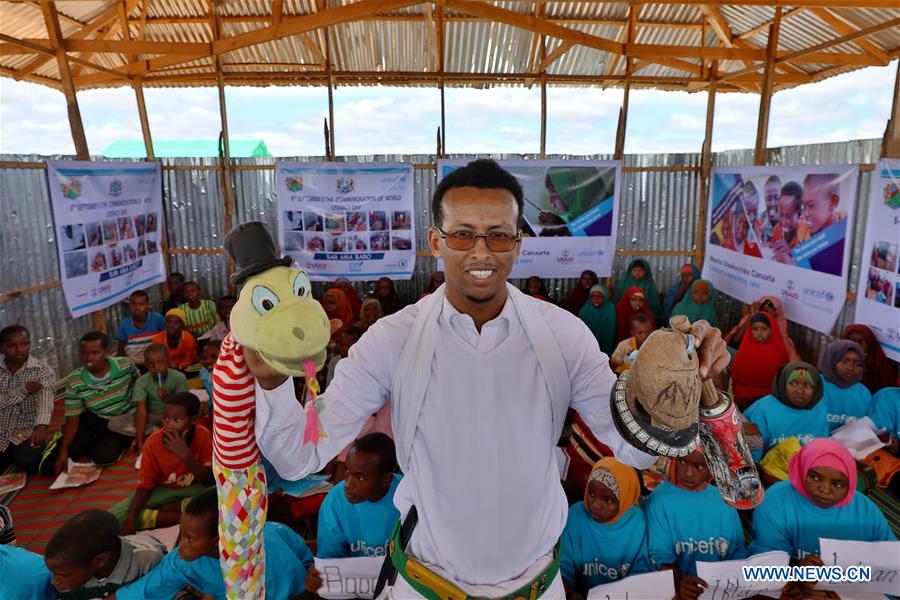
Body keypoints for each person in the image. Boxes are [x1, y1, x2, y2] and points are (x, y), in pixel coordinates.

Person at [248, 158, 730, 598]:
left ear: (518, 243)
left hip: (537, 588)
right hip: (424, 587)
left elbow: (632, 449)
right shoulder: (391, 339)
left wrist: (680, 383)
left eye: (498, 235)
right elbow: (300, 457)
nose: (481, 252)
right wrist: (270, 384)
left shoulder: (565, 336)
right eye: (463, 234)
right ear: (436, 241)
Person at [749, 439, 895, 598]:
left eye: (838, 484)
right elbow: (765, 561)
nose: (825, 490)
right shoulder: (777, 499)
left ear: (850, 484)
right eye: (815, 477)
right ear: (802, 471)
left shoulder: (866, 511)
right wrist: (796, 579)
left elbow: (892, 568)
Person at [112, 490, 312, 600]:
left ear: (217, 540)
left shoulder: (272, 534)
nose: (180, 544)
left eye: (189, 538)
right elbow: (143, 591)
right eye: (182, 533)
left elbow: (309, 564)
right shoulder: (183, 560)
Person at [644, 449, 745, 600]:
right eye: (682, 461)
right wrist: (678, 586)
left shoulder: (724, 502)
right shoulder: (658, 503)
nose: (688, 473)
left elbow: (738, 555)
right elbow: (659, 560)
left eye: (699, 466)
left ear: (712, 466)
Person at [305, 434, 402, 592]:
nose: (348, 484)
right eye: (348, 471)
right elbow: (329, 561)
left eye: (360, 477)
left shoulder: (408, 499)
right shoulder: (335, 501)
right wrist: (318, 577)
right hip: (354, 588)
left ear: (386, 479)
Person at [110, 392, 213, 535]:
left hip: (196, 487)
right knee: (116, 515)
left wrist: (186, 456)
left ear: (194, 420)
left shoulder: (203, 435)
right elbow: (145, 486)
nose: (168, 426)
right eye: (165, 419)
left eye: (177, 420)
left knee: (219, 496)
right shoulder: (152, 443)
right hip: (164, 491)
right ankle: (183, 513)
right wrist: (131, 520)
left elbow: (209, 481)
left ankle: (165, 511)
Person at [42, 332, 138, 476]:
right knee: (48, 467)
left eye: (94, 353)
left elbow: (140, 387)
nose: (88, 358)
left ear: (106, 351)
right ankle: (67, 439)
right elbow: (73, 418)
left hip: (122, 420)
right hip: (94, 419)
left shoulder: (125, 365)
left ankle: (98, 443)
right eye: (84, 353)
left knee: (103, 457)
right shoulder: (75, 379)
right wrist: (64, 450)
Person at [560, 457, 650, 599]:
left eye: (608, 500)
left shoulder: (637, 523)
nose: (595, 505)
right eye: (591, 494)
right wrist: (569, 593)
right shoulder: (575, 516)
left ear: (625, 500)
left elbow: (642, 570)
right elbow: (563, 563)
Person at [44, 510, 165, 599]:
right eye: (53, 574)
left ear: (99, 561)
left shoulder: (149, 558)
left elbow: (165, 590)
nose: (54, 582)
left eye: (63, 575)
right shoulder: (68, 574)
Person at [742, 362, 829, 464]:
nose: (800, 391)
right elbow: (750, 458)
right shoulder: (762, 410)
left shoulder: (819, 410)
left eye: (807, 385)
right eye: (793, 383)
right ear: (782, 383)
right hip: (765, 472)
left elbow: (820, 449)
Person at [0, 325, 55, 474]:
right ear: (2, 348)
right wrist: (22, 390)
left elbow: (46, 398)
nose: (20, 349)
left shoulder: (41, 370)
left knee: (29, 461)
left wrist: (41, 425)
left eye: (25, 344)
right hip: (1, 430)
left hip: (27, 430)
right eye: (12, 345)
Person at [115, 344, 188, 453]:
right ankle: (155, 432)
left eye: (161, 363)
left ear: (168, 361)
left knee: (186, 421)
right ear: (146, 366)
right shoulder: (142, 381)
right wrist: (140, 443)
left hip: (173, 418)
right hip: (152, 418)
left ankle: (154, 433)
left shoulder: (179, 377)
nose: (157, 368)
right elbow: (141, 411)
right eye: (151, 364)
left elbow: (182, 409)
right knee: (114, 423)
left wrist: (166, 399)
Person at [731, 313, 791, 410]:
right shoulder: (745, 350)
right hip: (746, 400)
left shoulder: (783, 351)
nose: (759, 332)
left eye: (764, 329)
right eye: (755, 329)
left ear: (772, 329)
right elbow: (737, 382)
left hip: (773, 399)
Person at [818, 340, 873, 432]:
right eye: (844, 361)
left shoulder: (863, 393)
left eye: (857, 364)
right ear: (831, 360)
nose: (851, 368)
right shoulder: (814, 385)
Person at [723, 295, 800, 360]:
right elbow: (734, 343)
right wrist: (752, 318)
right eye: (762, 310)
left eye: (768, 312)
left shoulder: (784, 341)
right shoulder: (750, 321)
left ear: (776, 313)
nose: (765, 314)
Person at [115, 291, 165, 365]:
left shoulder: (157, 319)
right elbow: (120, 351)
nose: (137, 308)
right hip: (135, 364)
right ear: (129, 306)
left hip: (155, 363)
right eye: (134, 305)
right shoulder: (124, 324)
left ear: (148, 305)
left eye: (141, 304)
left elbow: (166, 340)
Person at [842, 324, 897, 393]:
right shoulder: (836, 359)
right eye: (852, 341)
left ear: (869, 343)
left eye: (862, 342)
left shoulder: (879, 365)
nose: (856, 345)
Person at [577, 284, 616, 356]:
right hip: (588, 349)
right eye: (593, 297)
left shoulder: (610, 309)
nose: (596, 299)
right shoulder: (584, 311)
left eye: (599, 296)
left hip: (606, 348)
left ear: (605, 297)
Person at [772, 182, 803, 264]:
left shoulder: (806, 235)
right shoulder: (777, 230)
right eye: (781, 214)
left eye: (789, 217)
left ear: (800, 214)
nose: (783, 222)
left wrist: (791, 254)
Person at [761, 175, 782, 246]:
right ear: (764, 200)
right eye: (769, 199)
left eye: (776, 198)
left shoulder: (789, 220)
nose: (772, 204)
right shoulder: (759, 221)